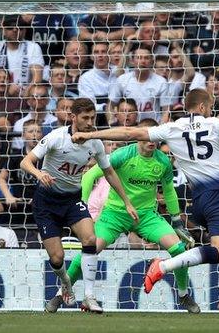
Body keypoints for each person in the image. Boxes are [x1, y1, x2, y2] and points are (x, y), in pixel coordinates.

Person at [71, 89, 219, 310]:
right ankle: (164, 266)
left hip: (197, 200)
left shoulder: (170, 129)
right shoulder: (213, 124)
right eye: (209, 107)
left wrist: (90, 134)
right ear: (201, 107)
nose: (210, 111)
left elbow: (129, 132)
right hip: (217, 195)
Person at [45, 119, 200, 313]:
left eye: (155, 138)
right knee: (89, 250)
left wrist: (177, 221)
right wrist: (82, 206)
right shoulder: (122, 155)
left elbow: (169, 191)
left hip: (146, 216)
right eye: (146, 137)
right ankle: (61, 293)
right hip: (115, 214)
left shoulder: (163, 162)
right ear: (137, 138)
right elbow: (89, 176)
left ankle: (184, 296)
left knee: (178, 250)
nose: (151, 142)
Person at [20, 98, 138, 313]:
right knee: (57, 257)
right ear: (73, 117)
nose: (90, 122)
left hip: (72, 199)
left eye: (92, 117)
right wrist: (39, 173)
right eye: (85, 118)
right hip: (46, 201)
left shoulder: (95, 142)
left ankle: (90, 296)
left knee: (90, 238)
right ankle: (66, 282)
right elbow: (25, 162)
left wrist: (127, 202)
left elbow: (109, 172)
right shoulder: (56, 137)